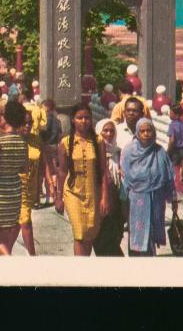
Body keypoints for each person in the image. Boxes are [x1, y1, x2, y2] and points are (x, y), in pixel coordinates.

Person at [56, 106, 110, 255]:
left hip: (93, 193)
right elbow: (62, 171)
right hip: (73, 193)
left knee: (89, 233)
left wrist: (105, 198)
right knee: (79, 233)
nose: (83, 121)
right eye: (79, 118)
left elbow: (103, 171)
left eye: (87, 117)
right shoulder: (65, 142)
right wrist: (58, 197)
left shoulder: (98, 141)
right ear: (73, 120)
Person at [121, 117, 176, 256]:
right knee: (137, 232)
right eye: (142, 131)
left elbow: (169, 175)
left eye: (149, 130)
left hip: (156, 199)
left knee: (151, 232)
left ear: (154, 132)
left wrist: (172, 197)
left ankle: (150, 259)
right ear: (137, 133)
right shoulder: (129, 151)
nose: (146, 134)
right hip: (136, 199)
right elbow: (125, 176)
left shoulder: (160, 151)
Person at [0, 100, 29, 256]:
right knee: (7, 231)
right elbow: (24, 168)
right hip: (15, 190)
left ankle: (7, 259)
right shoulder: (22, 141)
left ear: (6, 117)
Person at [18, 93, 47, 254]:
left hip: (32, 187)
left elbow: (45, 163)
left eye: (30, 123)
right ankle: (32, 255)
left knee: (18, 225)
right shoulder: (12, 140)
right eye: (24, 123)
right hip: (15, 188)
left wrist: (51, 186)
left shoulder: (36, 139)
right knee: (26, 222)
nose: (28, 126)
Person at [93, 118, 124, 255]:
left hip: (116, 198)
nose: (109, 134)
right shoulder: (94, 152)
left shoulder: (118, 152)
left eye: (112, 131)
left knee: (116, 232)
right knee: (102, 235)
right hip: (101, 197)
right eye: (105, 131)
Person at [165, 104, 183, 217]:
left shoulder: (172, 125)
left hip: (174, 151)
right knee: (182, 172)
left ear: (176, 114)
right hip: (182, 150)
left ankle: (173, 195)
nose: (169, 114)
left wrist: (168, 151)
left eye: (171, 112)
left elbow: (172, 140)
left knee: (172, 173)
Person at [39, 98, 62, 206]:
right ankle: (55, 194)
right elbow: (60, 134)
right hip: (55, 146)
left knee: (46, 172)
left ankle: (49, 196)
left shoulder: (45, 120)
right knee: (54, 172)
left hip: (46, 146)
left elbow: (43, 133)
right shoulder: (57, 120)